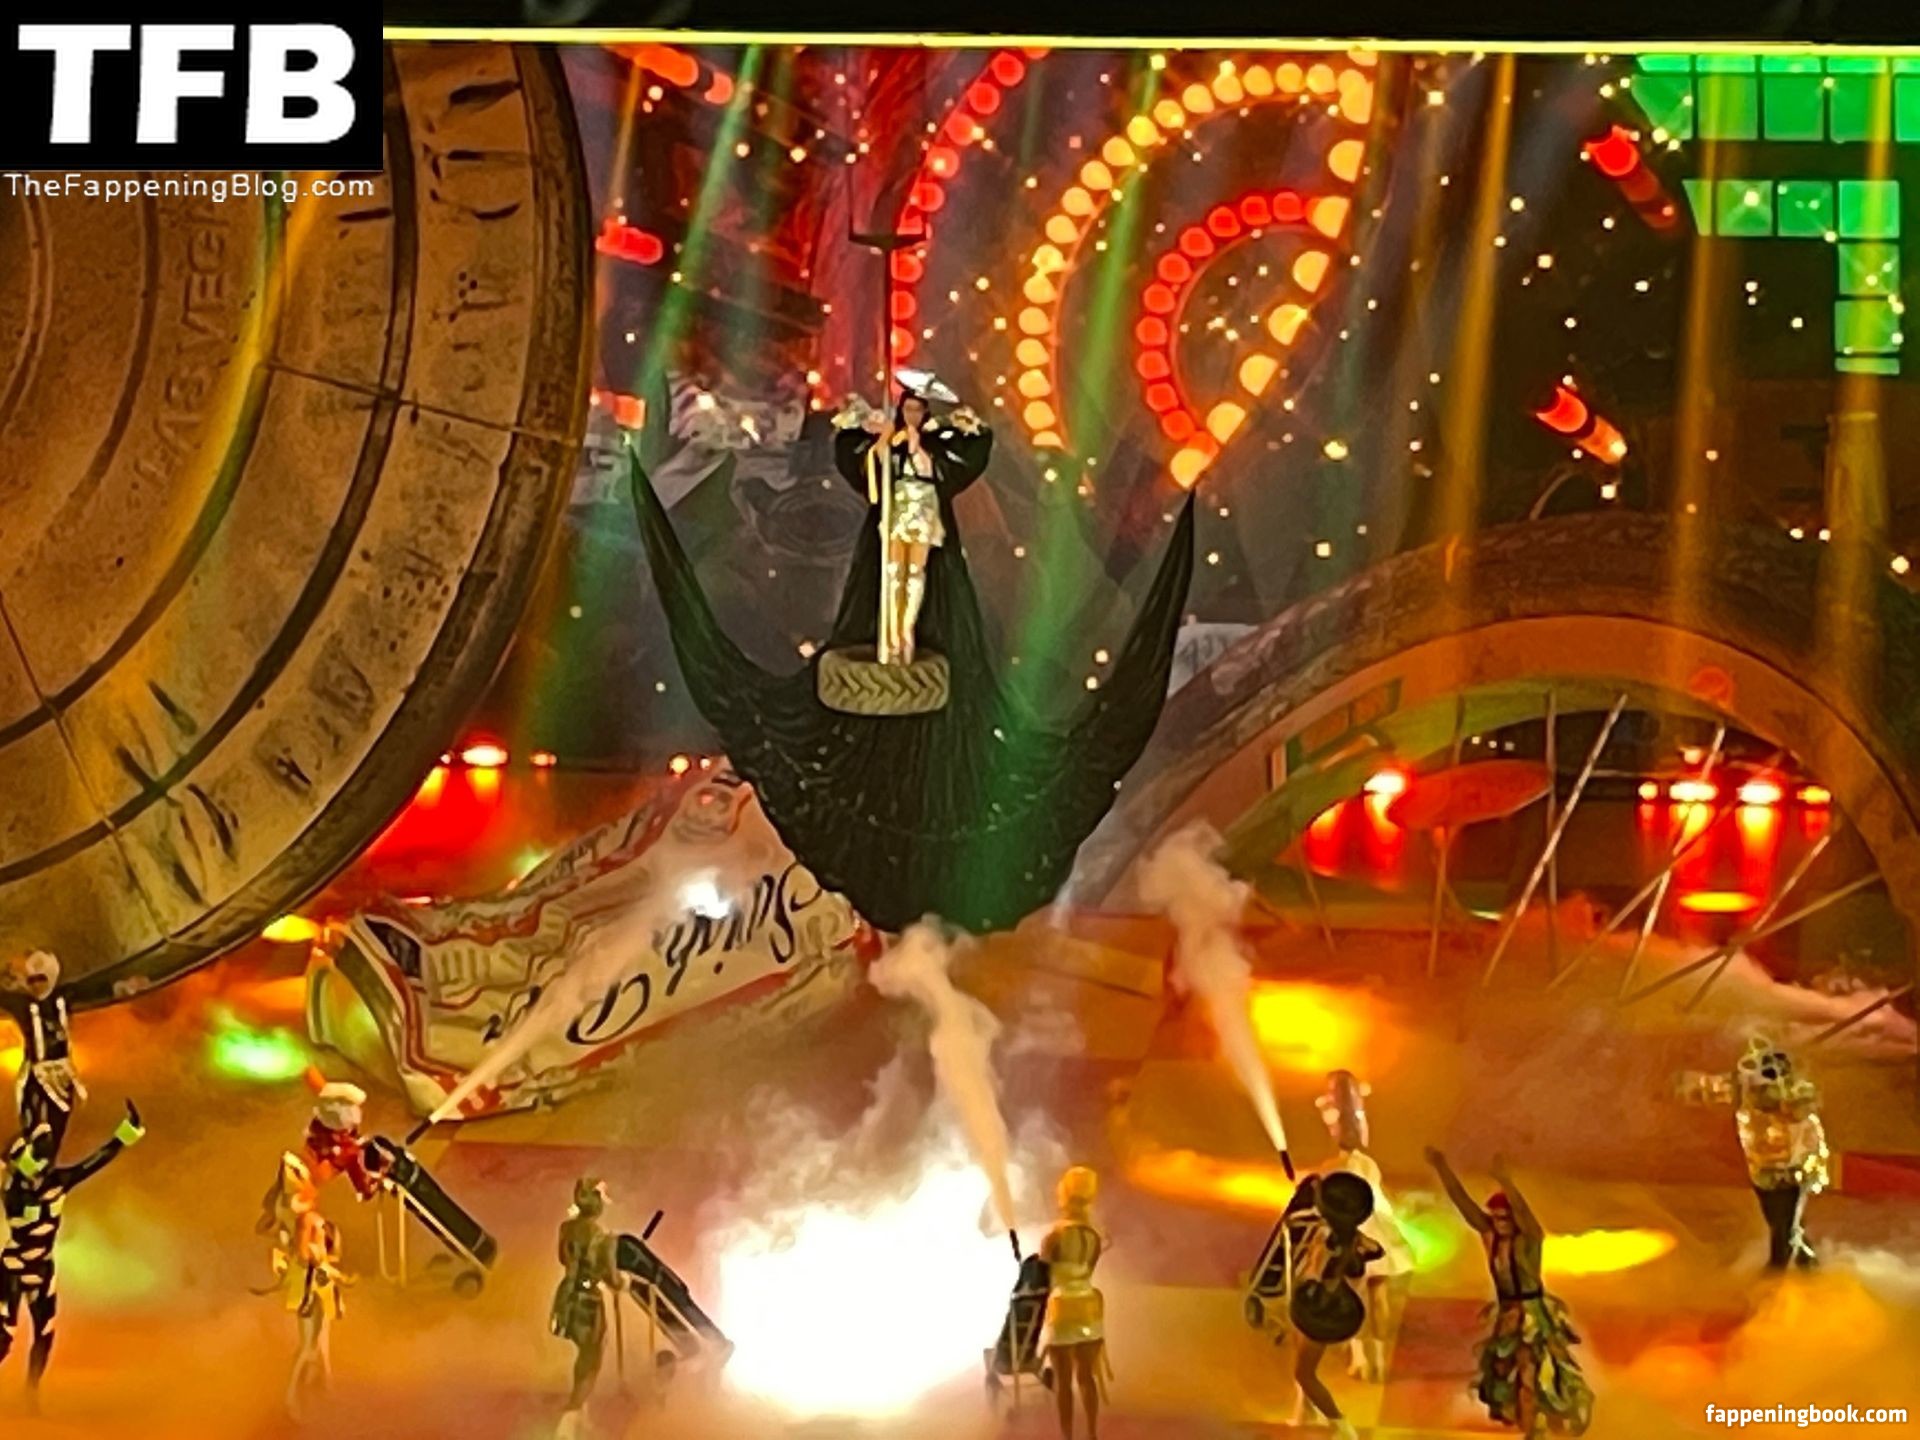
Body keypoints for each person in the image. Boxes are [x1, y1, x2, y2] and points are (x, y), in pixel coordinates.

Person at [1426, 1149, 1592, 1437]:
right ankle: (1533, 1424)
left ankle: (1534, 1431)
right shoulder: (1490, 1235)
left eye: (1505, 1217)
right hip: (1507, 1315)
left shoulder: (1529, 1241)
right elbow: (1462, 1202)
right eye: (1495, 1217)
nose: (1499, 1222)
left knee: (1530, 1378)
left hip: (1532, 1318)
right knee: (1505, 1376)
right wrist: (1441, 1167)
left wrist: (1506, 1182)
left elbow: (1527, 1218)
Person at [832, 379, 990, 666]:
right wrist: (881, 436)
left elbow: (944, 466)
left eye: (917, 410)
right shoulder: (894, 437)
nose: (912, 415)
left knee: (914, 573)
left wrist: (918, 446)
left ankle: (906, 629)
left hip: (923, 509)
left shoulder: (933, 439)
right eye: (908, 409)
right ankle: (891, 632)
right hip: (897, 508)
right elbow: (874, 462)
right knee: (893, 572)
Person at [0, 1100, 145, 1408]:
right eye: (32, 1155)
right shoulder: (14, 1190)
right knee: (4, 1335)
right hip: (13, 1267)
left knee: (45, 1333)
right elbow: (22, 1199)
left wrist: (125, 1134)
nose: (40, 1160)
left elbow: (94, 1162)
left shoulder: (56, 1182)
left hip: (42, 1268)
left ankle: (31, 1394)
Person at [1678, 1038, 1828, 1269]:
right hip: (1763, 1169)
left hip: (1794, 1169)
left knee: (1783, 1228)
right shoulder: (1745, 1090)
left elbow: (1800, 1106)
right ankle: (1806, 1261)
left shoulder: (1796, 1096)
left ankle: (1777, 1271)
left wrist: (1781, 1096)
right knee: (1778, 1221)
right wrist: (1689, 1084)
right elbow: (1714, 1088)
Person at [1316, 1070, 1413, 1381]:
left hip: (1355, 1237)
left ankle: (1360, 1358)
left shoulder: (1333, 1167)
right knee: (1378, 1295)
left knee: (1353, 1297)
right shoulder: (1367, 1164)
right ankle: (1379, 1359)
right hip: (1378, 1234)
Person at [1279, 1172, 1380, 1440]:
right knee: (1298, 1350)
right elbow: (1376, 1250)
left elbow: (1324, 1277)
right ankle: (1305, 1409)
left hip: (1323, 1311)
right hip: (1335, 1305)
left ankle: (1341, 1426)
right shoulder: (1353, 1237)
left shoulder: (1329, 1242)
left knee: (1304, 1373)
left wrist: (1313, 1285)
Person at [264, 1150, 349, 1419]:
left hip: (314, 1279)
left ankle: (326, 1389)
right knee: (309, 1344)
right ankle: (291, 1397)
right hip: (309, 1281)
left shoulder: (301, 1217)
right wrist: (322, 1258)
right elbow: (304, 1254)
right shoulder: (305, 1219)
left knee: (322, 1340)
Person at [551, 1176, 626, 1439]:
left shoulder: (565, 1228)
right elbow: (612, 1278)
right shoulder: (604, 1239)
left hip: (566, 1298)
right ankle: (568, 1422)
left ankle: (580, 1414)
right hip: (589, 1302)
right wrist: (623, 1281)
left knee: (582, 1357)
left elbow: (563, 1259)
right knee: (592, 1359)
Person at [1041, 1165, 1108, 1440]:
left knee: (1063, 1381)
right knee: (1087, 1377)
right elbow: (1088, 1270)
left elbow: (1043, 1273)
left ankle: (1067, 1436)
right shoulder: (1094, 1236)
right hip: (1089, 1309)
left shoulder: (1055, 1235)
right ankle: (1092, 1434)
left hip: (1062, 1309)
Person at [0, 951, 86, 1152]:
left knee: (60, 1117)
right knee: (32, 1115)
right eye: (32, 980)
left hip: (63, 1072)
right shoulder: (22, 1004)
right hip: (36, 1071)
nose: (37, 985)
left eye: (41, 979)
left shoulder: (65, 996)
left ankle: (49, 1156)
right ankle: (29, 1155)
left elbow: (98, 987)